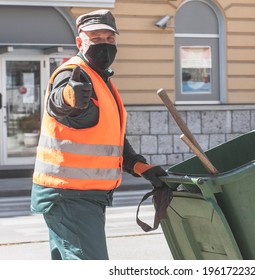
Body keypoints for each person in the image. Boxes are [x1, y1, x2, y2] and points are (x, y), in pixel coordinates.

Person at [31, 9, 168, 260]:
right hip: (70, 195)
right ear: (79, 42)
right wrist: (68, 97)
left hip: (81, 195)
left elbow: (109, 137)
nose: (104, 44)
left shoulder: (101, 79)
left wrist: (140, 166)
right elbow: (58, 103)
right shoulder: (72, 73)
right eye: (96, 39)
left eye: (109, 39)